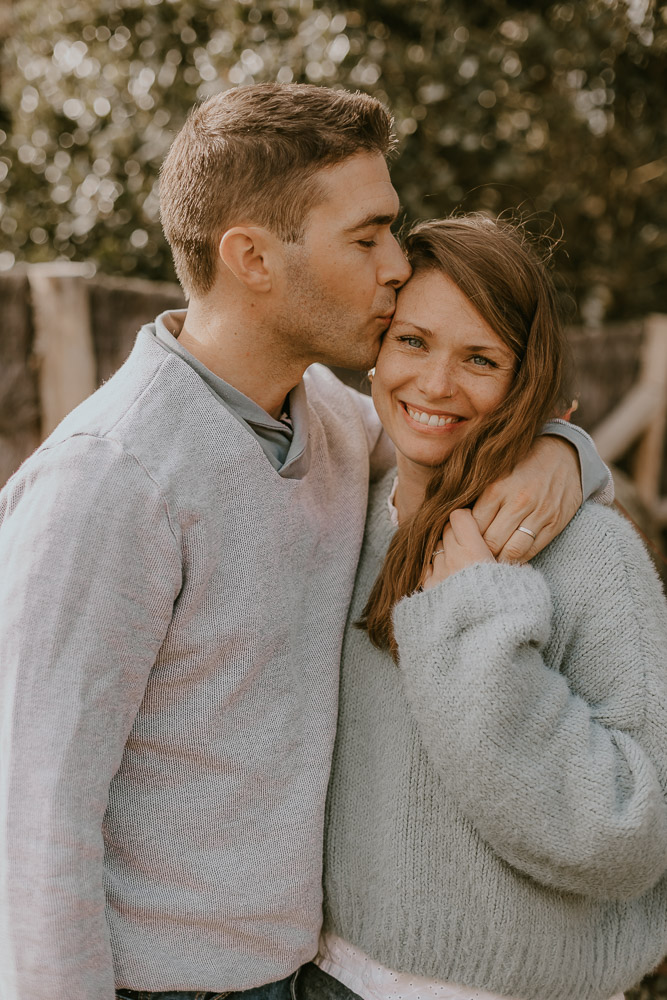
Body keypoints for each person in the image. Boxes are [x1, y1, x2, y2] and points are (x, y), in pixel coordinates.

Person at [0, 86, 610, 1000]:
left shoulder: (326, 420)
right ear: (250, 257)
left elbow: (454, 449)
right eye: (365, 238)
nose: (396, 266)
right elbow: (33, 820)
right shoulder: (109, 481)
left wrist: (564, 449)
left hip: (297, 976)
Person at [300, 216, 667, 1000]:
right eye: (411, 341)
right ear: (373, 353)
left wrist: (476, 623)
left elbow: (631, 834)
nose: (435, 385)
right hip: (323, 980)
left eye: (478, 358)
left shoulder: (590, 554)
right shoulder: (337, 515)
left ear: (522, 379)